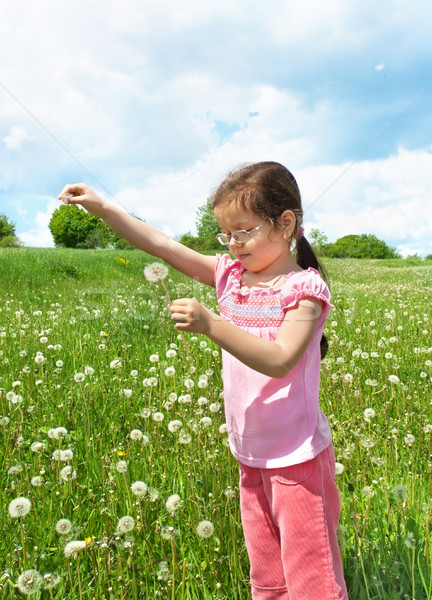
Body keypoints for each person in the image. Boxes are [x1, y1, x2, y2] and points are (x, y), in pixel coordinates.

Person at [59, 161, 348, 600]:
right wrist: (104, 210)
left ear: (285, 223)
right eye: (225, 235)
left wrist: (213, 325)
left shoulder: (302, 289)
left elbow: (281, 359)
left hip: (297, 460)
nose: (232, 245)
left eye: (243, 231)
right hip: (249, 455)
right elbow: (162, 246)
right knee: (268, 578)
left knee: (312, 582)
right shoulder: (230, 277)